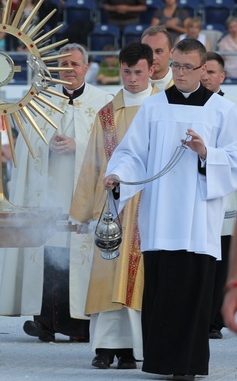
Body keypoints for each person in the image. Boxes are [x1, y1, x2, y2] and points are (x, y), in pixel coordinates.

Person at [104, 38, 237, 379]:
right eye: (174, 65)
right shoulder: (154, 106)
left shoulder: (223, 110)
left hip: (197, 219)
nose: (178, 73)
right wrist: (118, 174)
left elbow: (235, 159)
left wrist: (207, 152)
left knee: (192, 291)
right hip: (160, 216)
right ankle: (161, 362)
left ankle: (188, 365)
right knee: (163, 290)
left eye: (186, 67)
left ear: (203, 70)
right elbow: (133, 152)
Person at [0, 44, 112, 343]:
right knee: (49, 255)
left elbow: (112, 149)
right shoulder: (39, 101)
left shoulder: (103, 103)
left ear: (86, 68)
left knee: (79, 257)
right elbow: (24, 146)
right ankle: (45, 322)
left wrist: (79, 146)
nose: (68, 69)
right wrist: (45, 143)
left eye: (74, 64)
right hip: (47, 195)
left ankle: (80, 325)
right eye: (62, 64)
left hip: (83, 196)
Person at [69, 42, 156, 370]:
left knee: (141, 278)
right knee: (106, 274)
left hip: (149, 209)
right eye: (126, 71)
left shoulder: (161, 108)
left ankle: (135, 348)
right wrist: (82, 212)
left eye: (138, 72)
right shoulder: (107, 114)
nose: (132, 79)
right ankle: (105, 346)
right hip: (112, 209)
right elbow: (92, 164)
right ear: (117, 70)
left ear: (151, 70)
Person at [199, 51, 237, 341]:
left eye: (211, 72)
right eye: (203, 71)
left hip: (226, 195)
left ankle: (214, 319)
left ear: (222, 77)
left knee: (222, 258)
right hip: (199, 195)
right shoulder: (193, 106)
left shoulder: (230, 108)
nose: (205, 76)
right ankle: (201, 316)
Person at [142, 25, 175, 91]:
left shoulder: (185, 85)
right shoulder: (132, 85)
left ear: (171, 53)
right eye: (148, 52)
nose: (153, 57)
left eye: (159, 51)